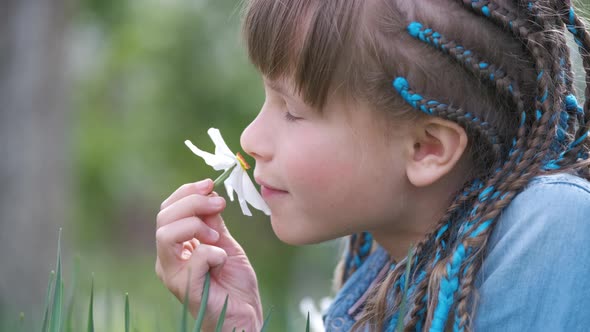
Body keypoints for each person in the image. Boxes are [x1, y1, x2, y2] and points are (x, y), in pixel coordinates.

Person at [155, 0, 590, 330]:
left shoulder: (551, 226)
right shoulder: (389, 269)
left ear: (427, 149)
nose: (250, 139)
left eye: (291, 110)